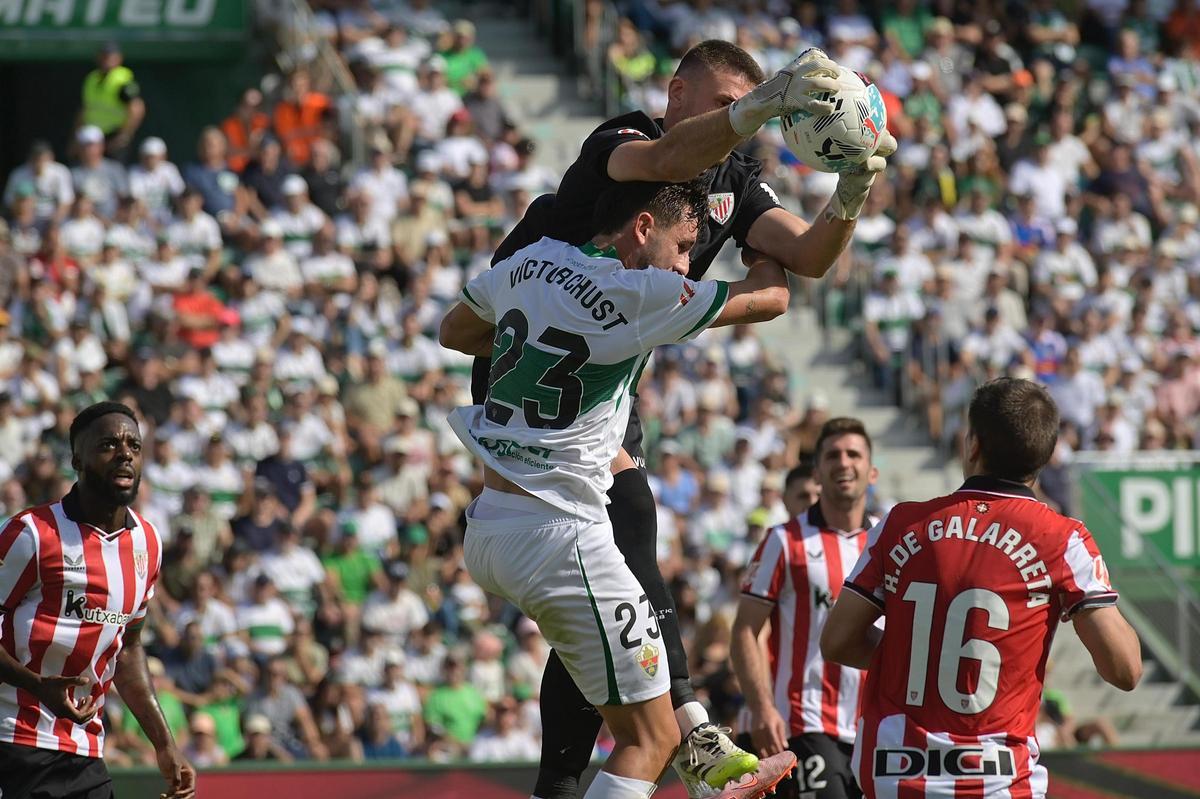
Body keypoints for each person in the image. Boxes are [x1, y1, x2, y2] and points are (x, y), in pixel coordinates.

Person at [470, 38, 896, 799]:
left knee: (600, 593)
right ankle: (691, 727)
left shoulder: (731, 180)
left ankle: (573, 777)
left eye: (748, 107)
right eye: (723, 104)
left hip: (596, 379)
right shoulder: (624, 140)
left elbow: (808, 256)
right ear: (676, 95)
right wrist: (761, 108)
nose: (740, 121)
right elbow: (671, 163)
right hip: (535, 364)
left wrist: (854, 188)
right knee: (625, 523)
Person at [440, 179, 794, 799]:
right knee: (650, 741)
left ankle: (706, 762)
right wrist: (761, 247)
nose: (685, 264)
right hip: (560, 537)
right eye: (683, 246)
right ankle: (703, 757)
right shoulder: (640, 291)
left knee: (639, 723)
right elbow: (770, 299)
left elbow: (455, 330)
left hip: (493, 518)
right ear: (642, 227)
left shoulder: (531, 260)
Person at [821, 379, 1143, 798]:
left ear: (973, 444)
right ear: (1044, 456)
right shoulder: (1063, 539)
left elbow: (838, 641)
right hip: (998, 780)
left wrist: (920, 657)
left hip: (895, 775)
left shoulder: (901, 524)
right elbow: (1125, 669)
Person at [0, 402, 195, 798]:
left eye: (134, 446)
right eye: (108, 444)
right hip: (12, 741)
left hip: (85, 750)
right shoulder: (32, 533)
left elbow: (129, 648)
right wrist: (38, 686)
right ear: (77, 459)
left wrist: (164, 743)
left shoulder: (148, 543)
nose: (124, 454)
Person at [731, 418, 880, 799]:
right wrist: (762, 708)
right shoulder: (784, 539)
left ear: (872, 471)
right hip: (806, 721)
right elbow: (746, 629)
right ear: (817, 472)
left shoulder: (887, 539)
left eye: (853, 454)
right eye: (832, 455)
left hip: (875, 729)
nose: (843, 463)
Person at [77, 42, 145, 157]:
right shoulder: (92, 78)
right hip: (92, 135)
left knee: (114, 166)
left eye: (110, 56)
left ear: (119, 58)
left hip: (114, 135)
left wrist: (124, 136)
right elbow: (84, 108)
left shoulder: (122, 79)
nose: (106, 60)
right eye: (104, 56)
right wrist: (76, 135)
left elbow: (137, 108)